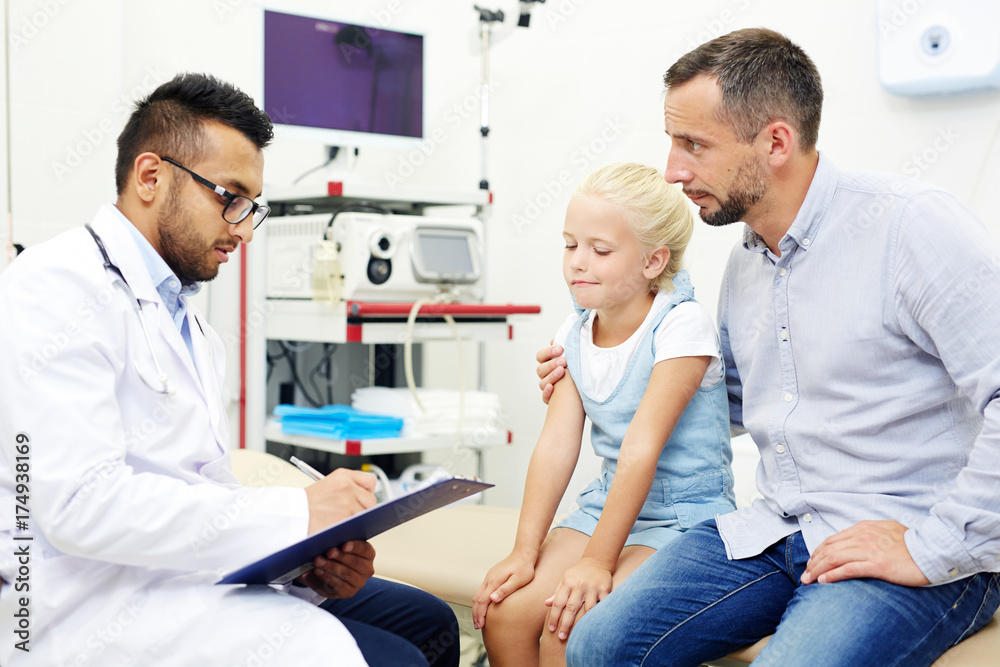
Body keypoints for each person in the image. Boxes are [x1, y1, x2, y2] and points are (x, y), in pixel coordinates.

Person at [537, 29, 1000, 667]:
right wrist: (601, 375)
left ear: (775, 141)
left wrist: (932, 546)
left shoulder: (909, 226)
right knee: (597, 644)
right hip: (779, 530)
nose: (672, 169)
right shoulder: (748, 262)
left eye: (693, 144)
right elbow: (718, 407)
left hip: (906, 534)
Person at [0, 73, 459, 667]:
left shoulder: (190, 323)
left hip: (186, 578)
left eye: (252, 207)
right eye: (230, 197)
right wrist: (298, 510)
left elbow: (208, 493)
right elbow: (78, 507)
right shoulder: (54, 286)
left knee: (430, 623)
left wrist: (305, 559)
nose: (242, 228)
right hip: (88, 606)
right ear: (150, 176)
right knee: (396, 658)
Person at [473, 163, 735, 666]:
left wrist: (597, 562)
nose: (578, 263)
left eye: (601, 250)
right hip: (607, 506)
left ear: (653, 261)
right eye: (570, 245)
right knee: (505, 614)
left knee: (567, 632)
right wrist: (524, 552)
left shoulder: (682, 326)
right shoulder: (572, 333)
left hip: (683, 517)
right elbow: (556, 446)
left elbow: (641, 447)